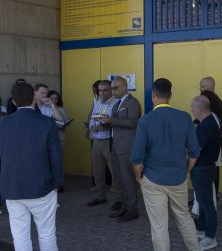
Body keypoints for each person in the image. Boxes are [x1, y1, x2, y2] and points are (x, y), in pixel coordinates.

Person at [0, 82, 63, 251]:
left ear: (13, 101)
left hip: (13, 188)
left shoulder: (0, 125)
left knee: (20, 235)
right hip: (43, 187)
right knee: (47, 234)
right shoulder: (47, 123)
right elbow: (56, 158)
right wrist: (57, 184)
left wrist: (1, 182)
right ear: (34, 99)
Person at [131, 79, 202, 251]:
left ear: (153, 96)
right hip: (178, 178)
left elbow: (137, 157)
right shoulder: (185, 118)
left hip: (153, 179)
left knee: (159, 225)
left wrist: (138, 176)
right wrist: (186, 171)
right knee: (184, 218)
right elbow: (194, 152)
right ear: (170, 96)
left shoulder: (146, 121)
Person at [100, 77, 142, 222]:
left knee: (128, 179)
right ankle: (124, 206)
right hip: (117, 146)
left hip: (127, 147)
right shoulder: (117, 104)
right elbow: (116, 124)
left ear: (124, 87)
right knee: (120, 179)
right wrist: (104, 122)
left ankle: (132, 209)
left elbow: (133, 122)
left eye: (115, 88)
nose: (112, 91)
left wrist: (112, 120)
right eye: (112, 88)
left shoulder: (133, 102)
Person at [190, 95, 222, 250]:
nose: (192, 111)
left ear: (199, 108)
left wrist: (187, 168)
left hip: (203, 169)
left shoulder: (207, 125)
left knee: (207, 204)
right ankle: (202, 228)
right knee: (203, 202)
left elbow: (195, 150)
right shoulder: (207, 122)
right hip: (204, 168)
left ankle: (210, 236)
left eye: (193, 107)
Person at [86, 80, 120, 209]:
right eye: (100, 90)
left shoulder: (116, 103)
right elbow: (92, 118)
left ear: (111, 90)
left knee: (114, 172)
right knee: (97, 171)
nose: (102, 93)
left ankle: (119, 199)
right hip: (96, 140)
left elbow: (117, 122)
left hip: (109, 141)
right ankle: (100, 196)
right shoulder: (97, 102)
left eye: (105, 90)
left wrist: (105, 126)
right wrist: (92, 127)